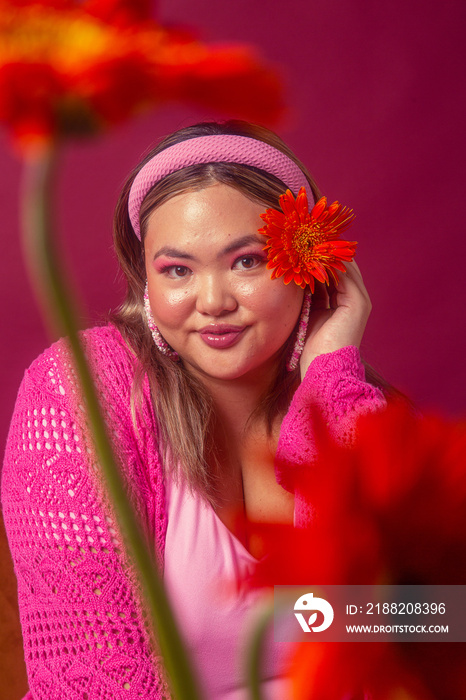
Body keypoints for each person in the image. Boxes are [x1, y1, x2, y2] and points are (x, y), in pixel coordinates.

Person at [2, 120, 386, 699]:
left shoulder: (346, 400)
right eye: (177, 270)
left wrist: (332, 375)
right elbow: (86, 683)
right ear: (145, 281)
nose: (213, 302)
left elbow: (433, 625)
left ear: (310, 266)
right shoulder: (80, 391)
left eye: (248, 261)